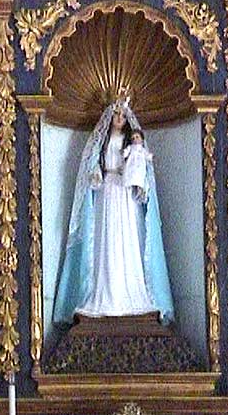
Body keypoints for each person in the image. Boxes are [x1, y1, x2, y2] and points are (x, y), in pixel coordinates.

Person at [53, 94, 174, 325]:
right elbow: (92, 165)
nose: (119, 118)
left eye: (122, 115)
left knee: (128, 240)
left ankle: (131, 293)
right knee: (106, 241)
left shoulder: (134, 143)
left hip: (126, 194)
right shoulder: (102, 142)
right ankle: (104, 291)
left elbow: (142, 168)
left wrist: (141, 186)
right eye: (116, 114)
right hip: (107, 192)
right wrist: (96, 174)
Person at [123, 129, 154, 199]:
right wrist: (124, 153)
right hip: (131, 165)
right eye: (133, 138)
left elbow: (146, 155)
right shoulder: (131, 147)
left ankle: (140, 191)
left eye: (137, 137)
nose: (135, 140)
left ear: (142, 140)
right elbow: (126, 152)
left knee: (139, 178)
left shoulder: (142, 149)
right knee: (130, 175)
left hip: (139, 167)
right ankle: (129, 186)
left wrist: (150, 156)